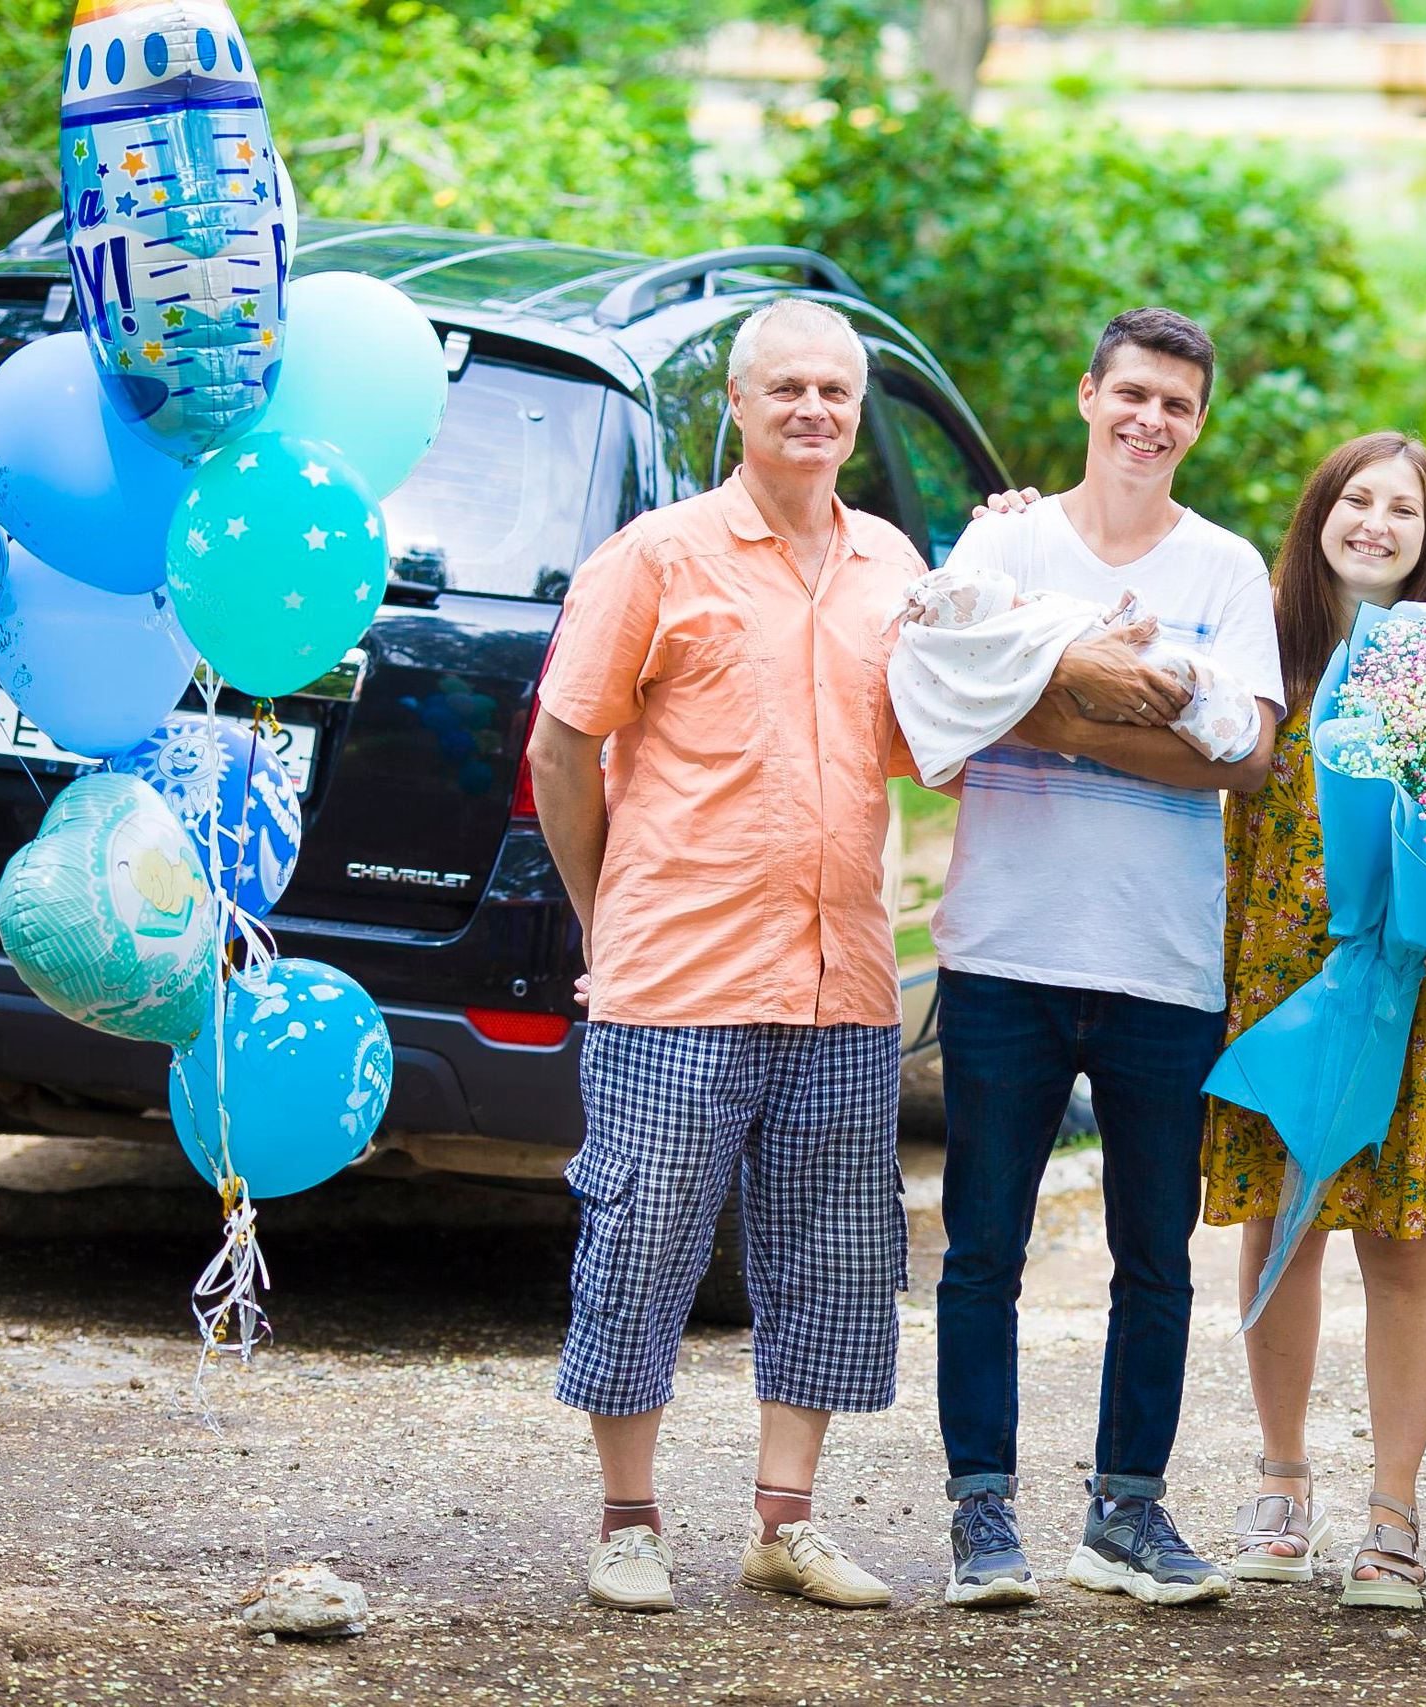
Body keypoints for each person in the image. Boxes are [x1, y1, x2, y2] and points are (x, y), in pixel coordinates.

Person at [527, 299, 918, 1615]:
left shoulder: (891, 569)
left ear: (855, 416)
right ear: (741, 407)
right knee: (641, 1243)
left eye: (836, 392)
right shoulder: (657, 555)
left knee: (833, 1253)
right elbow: (561, 747)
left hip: (843, 974)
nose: (815, 409)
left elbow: (932, 742)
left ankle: (784, 1522)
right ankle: (630, 1518)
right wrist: (607, 913)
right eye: (788, 388)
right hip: (677, 971)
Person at [929, 308, 1280, 1610]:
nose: (1150, 420)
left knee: (1156, 1253)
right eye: (1130, 393)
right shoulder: (1007, 538)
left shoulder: (1229, 567)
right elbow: (945, 694)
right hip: (1006, 948)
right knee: (983, 1246)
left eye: (1176, 404)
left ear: (1198, 422)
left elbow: (1242, 755)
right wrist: (1103, 695)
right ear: (1088, 394)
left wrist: (1060, 704)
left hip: (1162, 961)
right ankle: (983, 1514)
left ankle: (1125, 1511)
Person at [1201, 432, 1426, 1613]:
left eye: (1405, 511)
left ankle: (1392, 1513)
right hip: (1278, 978)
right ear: (1318, 511)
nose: (1376, 523)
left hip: (1414, 987)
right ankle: (1279, 1485)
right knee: (1281, 1227)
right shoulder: (1256, 646)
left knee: (1402, 1241)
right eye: (1356, 500)